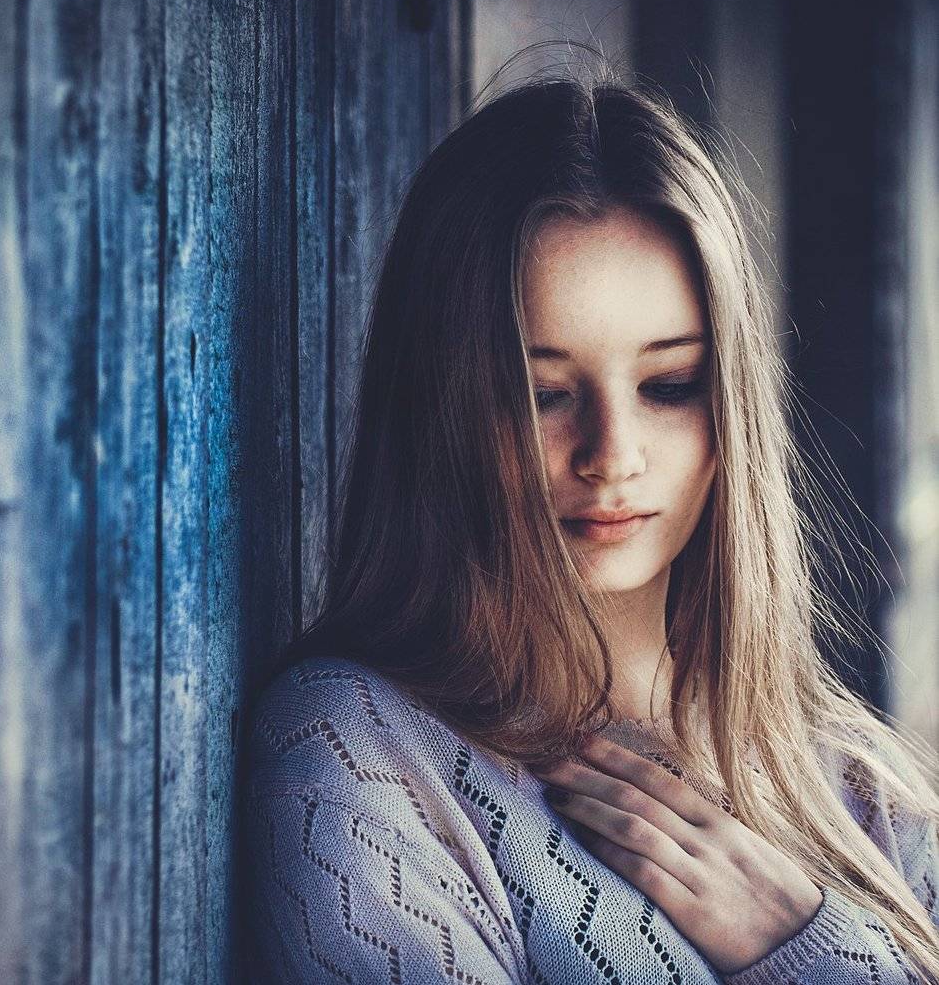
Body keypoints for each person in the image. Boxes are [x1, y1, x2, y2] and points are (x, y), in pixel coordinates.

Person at [243, 65, 939, 984]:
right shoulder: (353, 750)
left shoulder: (855, 783)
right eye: (544, 395)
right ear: (441, 410)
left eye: (669, 386)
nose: (613, 455)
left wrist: (799, 930)